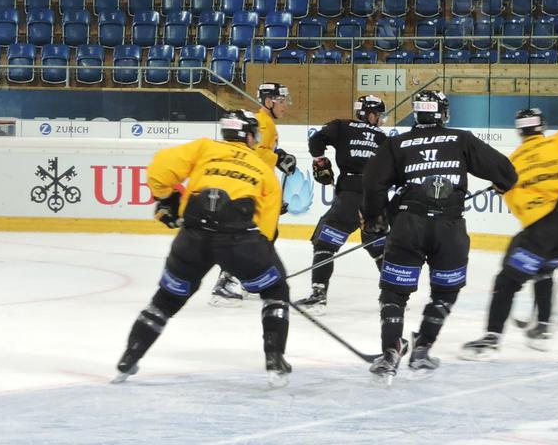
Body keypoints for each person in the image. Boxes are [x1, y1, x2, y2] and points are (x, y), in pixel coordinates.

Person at [113, 110, 293, 387]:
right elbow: (266, 230)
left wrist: (167, 198)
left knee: (167, 298)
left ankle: (129, 358)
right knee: (275, 290)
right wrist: (259, 261)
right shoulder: (261, 168)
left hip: (193, 238)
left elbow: (160, 167)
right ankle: (274, 360)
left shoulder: (204, 147)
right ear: (248, 135)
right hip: (239, 243)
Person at [361, 90, 516, 384]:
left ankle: (391, 352)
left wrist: (375, 220)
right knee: (445, 291)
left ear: (417, 113)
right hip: (449, 229)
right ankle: (422, 349)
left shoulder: (397, 143)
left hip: (409, 225)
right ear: (442, 113)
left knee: (394, 293)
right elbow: (506, 171)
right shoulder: (460, 139)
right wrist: (503, 183)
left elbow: (373, 184)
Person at [459, 108, 558, 360]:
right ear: (542, 126)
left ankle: (491, 339)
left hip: (542, 231)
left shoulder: (513, 161)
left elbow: (516, 204)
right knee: (544, 271)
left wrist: (503, 187)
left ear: (520, 130)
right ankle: (543, 330)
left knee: (507, 282)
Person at [295, 94, 389, 313]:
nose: (381, 120)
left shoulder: (342, 126)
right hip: (376, 197)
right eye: (380, 115)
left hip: (351, 195)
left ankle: (318, 295)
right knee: (377, 245)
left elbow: (316, 140)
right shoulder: (383, 138)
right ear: (370, 114)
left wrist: (320, 159)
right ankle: (392, 296)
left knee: (324, 243)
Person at [210, 82, 299, 306]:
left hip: (256, 186)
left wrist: (277, 155)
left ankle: (245, 279)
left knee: (264, 234)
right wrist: (277, 158)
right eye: (280, 101)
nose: (284, 106)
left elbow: (262, 152)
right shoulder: (262, 123)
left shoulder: (266, 122)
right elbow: (254, 155)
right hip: (249, 188)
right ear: (268, 101)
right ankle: (225, 283)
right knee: (247, 235)